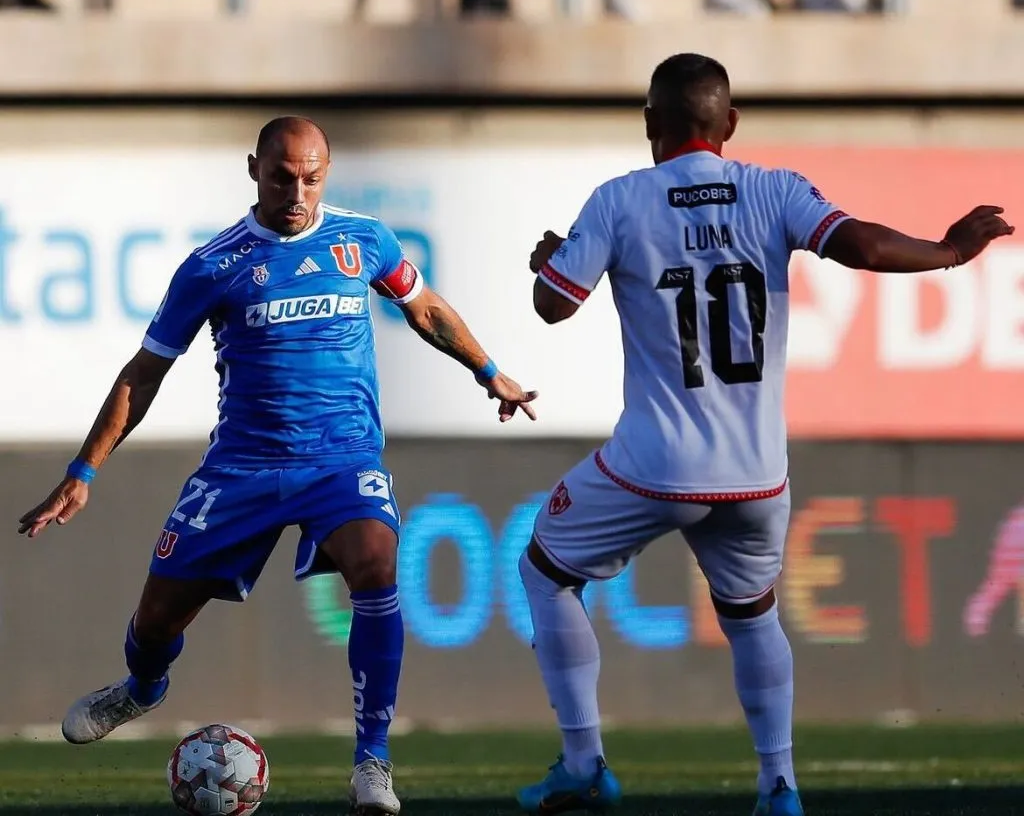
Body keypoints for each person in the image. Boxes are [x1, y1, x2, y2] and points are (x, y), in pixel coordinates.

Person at [515, 53, 1013, 816]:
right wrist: (948, 251)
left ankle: (584, 761)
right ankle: (778, 784)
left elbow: (554, 305)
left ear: (650, 124)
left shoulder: (620, 200)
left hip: (655, 465)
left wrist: (550, 265)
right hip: (756, 472)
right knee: (752, 616)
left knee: (547, 572)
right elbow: (865, 247)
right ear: (731, 125)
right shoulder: (775, 190)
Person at [17, 116, 538, 816]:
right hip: (243, 466)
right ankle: (141, 687)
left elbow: (426, 309)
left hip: (342, 457)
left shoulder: (364, 240)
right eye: (283, 176)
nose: (298, 191)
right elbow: (144, 373)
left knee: (379, 563)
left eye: (313, 178)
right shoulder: (212, 266)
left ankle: (372, 761)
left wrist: (490, 371)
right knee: (158, 619)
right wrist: (84, 471)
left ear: (328, 172)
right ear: (254, 169)